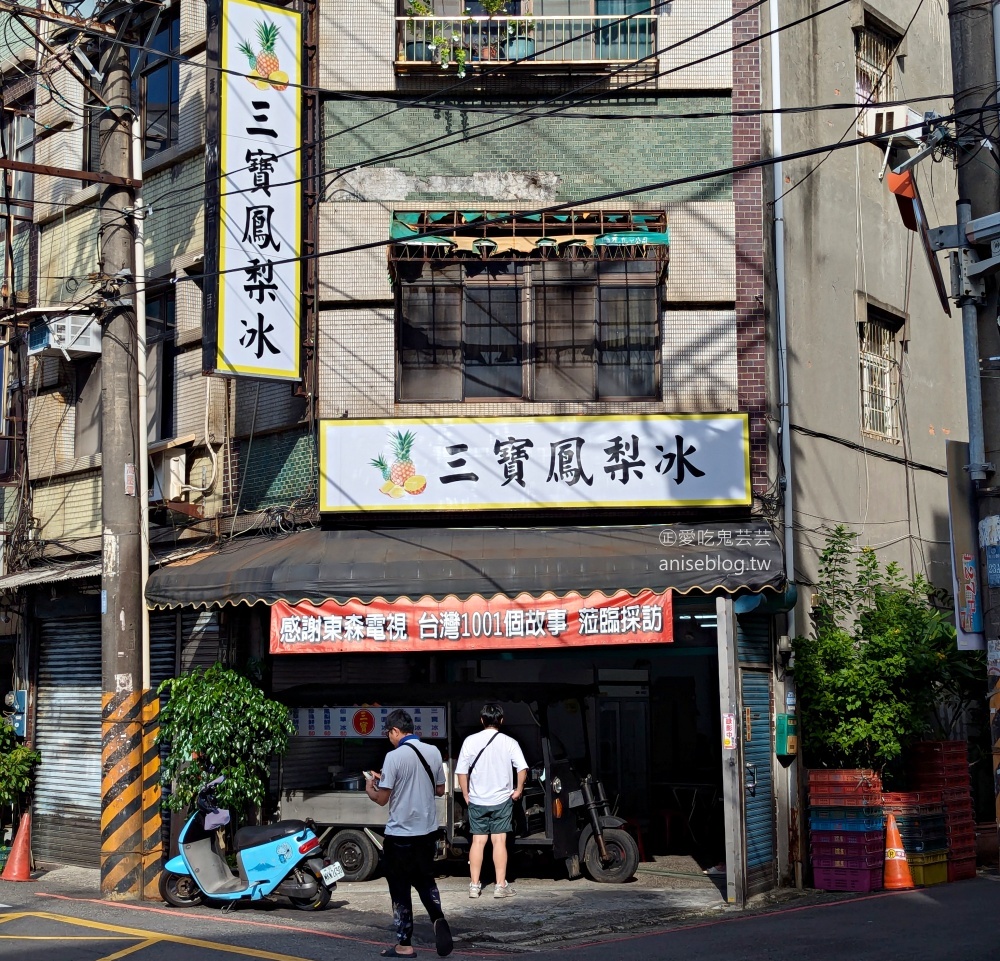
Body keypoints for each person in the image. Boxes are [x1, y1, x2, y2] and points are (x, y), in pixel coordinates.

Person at [366, 709, 453, 958]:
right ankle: (438, 917)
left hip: (400, 837)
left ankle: (404, 944)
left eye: (388, 733)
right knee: (426, 881)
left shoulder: (393, 757)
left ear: (395, 731)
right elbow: (439, 789)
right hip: (427, 834)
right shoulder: (433, 752)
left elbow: (383, 799)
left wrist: (369, 788)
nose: (389, 738)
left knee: (400, 889)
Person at [455, 702, 528, 899]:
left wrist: (465, 794)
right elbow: (522, 768)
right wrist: (518, 789)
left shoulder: (470, 741)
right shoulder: (509, 742)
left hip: (477, 800)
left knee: (477, 842)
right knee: (499, 842)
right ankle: (500, 886)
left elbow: (461, 771)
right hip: (501, 800)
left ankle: (474, 886)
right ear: (501, 721)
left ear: (481, 720)